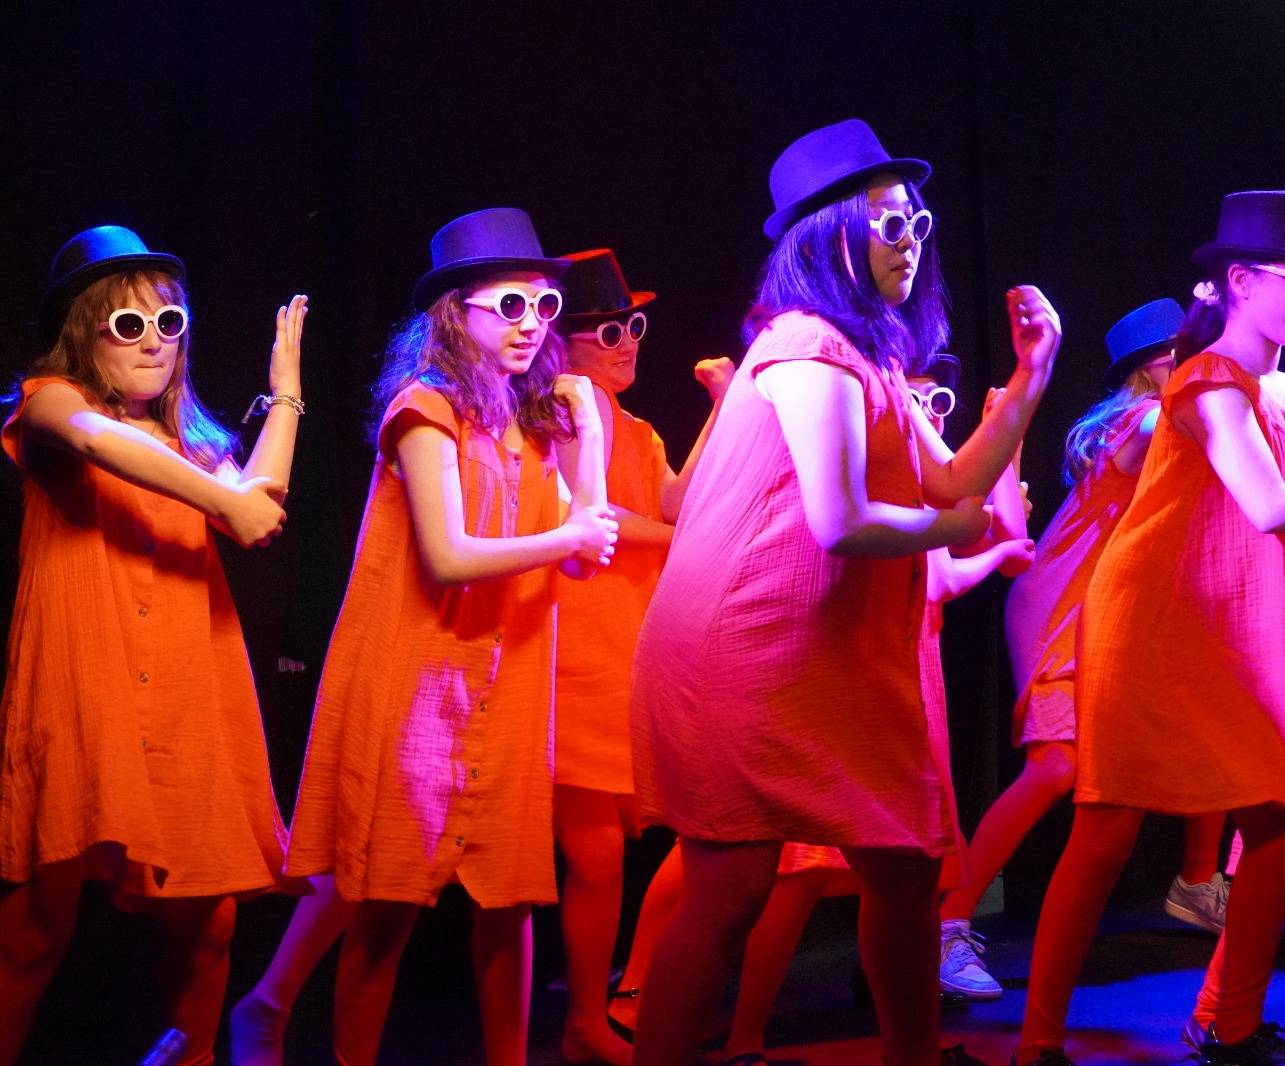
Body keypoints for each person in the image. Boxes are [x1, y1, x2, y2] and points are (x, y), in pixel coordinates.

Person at [627, 119, 1060, 1066]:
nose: (911, 242)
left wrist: (1031, 379)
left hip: (827, 655)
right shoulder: (805, 347)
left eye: (917, 223)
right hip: (747, 651)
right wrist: (959, 530)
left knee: (904, 869)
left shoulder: (871, 357)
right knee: (730, 891)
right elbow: (842, 519)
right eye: (889, 225)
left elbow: (954, 480)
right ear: (827, 238)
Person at [1015, 192, 1285, 1066]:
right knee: (1104, 836)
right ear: (1240, 282)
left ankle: (1230, 1025)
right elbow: (1269, 503)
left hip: (1230, 634)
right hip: (1153, 630)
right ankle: (1036, 1045)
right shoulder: (1206, 382)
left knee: (1282, 825)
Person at [273, 207, 616, 1066]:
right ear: (457, 313)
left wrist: (590, 430)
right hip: (419, 684)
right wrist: (570, 537)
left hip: (508, 687)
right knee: (386, 905)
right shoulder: (424, 407)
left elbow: (588, 551)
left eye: (544, 307)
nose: (532, 325)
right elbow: (450, 554)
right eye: (511, 305)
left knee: (510, 903)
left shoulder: (535, 418)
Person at [0, 225, 306, 1066]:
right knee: (37, 926)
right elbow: (101, 441)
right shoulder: (48, 401)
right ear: (85, 333)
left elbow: (255, 505)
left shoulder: (190, 445)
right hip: (87, 685)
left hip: (185, 688)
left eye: (168, 323)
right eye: (128, 324)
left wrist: (285, 395)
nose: (153, 343)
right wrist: (225, 498)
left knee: (212, 918)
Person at [940, 299, 1230, 1004]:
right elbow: (1172, 425)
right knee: (1056, 767)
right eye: (1179, 358)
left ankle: (1197, 881)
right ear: (1150, 369)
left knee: (1213, 722)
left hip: (1122, 612)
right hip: (1061, 606)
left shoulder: (1185, 419)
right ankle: (946, 923)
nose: (1193, 368)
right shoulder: (1138, 421)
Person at [550, 247, 730, 1065]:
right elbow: (605, 521)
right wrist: (677, 538)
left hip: (629, 647)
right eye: (609, 331)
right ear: (565, 341)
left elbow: (677, 502)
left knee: (615, 853)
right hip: (574, 646)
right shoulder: (561, 413)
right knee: (592, 855)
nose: (628, 344)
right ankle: (588, 1022)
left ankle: (607, 1008)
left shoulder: (638, 429)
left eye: (634, 327)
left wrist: (721, 406)